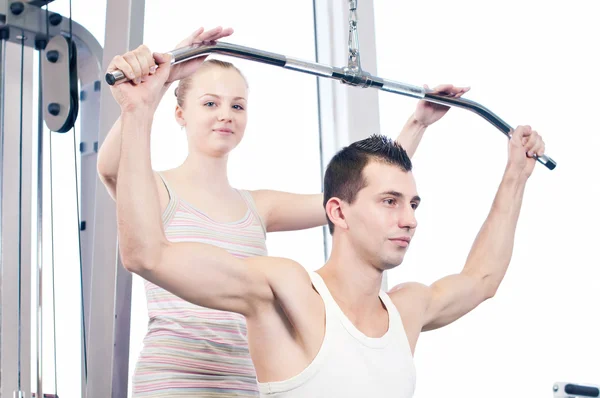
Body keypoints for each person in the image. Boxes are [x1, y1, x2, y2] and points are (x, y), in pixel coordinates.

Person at [100, 26, 470, 396]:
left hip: (245, 380)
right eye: (210, 103)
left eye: (237, 105)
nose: (226, 114)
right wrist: (162, 82)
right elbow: (114, 168)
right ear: (180, 113)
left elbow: (354, 197)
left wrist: (418, 123)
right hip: (174, 377)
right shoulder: (157, 190)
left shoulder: (258, 206)